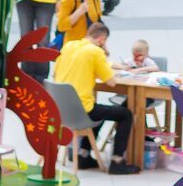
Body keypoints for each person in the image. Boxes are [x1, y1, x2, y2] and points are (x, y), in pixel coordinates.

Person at [52, 21, 133, 173]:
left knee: (100, 112)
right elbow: (111, 82)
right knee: (125, 114)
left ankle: (83, 155)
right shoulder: (96, 52)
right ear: (102, 40)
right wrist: (104, 55)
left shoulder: (68, 46)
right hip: (81, 110)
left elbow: (55, 74)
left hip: (60, 110)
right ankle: (117, 161)